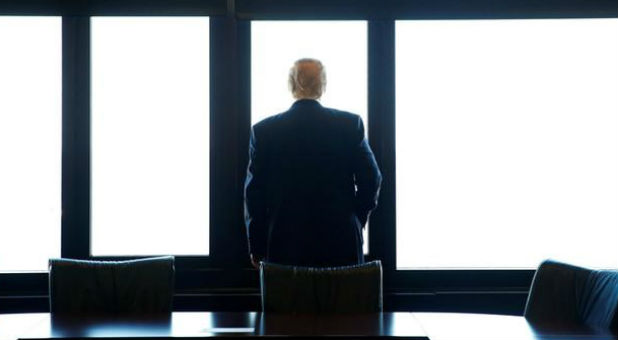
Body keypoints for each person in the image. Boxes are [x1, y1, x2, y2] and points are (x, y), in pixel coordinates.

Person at [244, 58, 382, 268]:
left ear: (291, 85)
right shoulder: (349, 125)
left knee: (289, 301)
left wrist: (257, 245)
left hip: (284, 242)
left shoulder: (264, 132)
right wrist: (355, 218)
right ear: (323, 86)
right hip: (341, 240)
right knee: (342, 299)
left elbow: (254, 194)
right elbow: (372, 179)